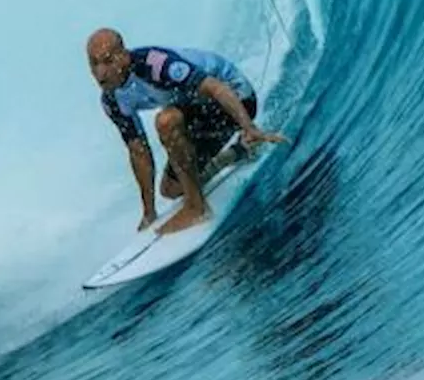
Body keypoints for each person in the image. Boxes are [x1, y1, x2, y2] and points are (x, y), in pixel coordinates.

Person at [86, 28, 286, 235]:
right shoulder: (112, 100)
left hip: (236, 99)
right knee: (171, 189)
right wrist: (149, 212)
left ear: (123, 56)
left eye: (107, 61)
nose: (100, 73)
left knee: (166, 121)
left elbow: (216, 88)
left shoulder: (155, 65)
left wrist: (249, 128)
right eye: (94, 64)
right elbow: (139, 152)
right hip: (201, 114)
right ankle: (240, 151)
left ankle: (196, 208)